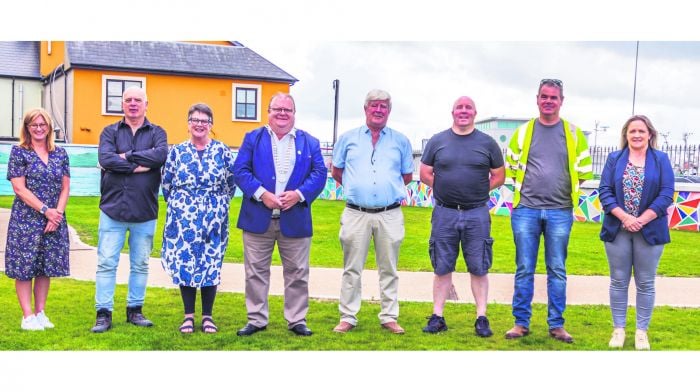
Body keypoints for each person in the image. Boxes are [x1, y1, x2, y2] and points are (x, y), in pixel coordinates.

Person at [504, 79, 593, 343]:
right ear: (537, 99)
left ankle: (556, 325)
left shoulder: (574, 134)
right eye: (544, 96)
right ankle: (521, 322)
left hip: (560, 211)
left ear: (561, 101)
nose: (548, 101)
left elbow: (584, 173)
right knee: (523, 268)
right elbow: (510, 167)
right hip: (526, 210)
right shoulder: (523, 132)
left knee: (557, 269)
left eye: (554, 97)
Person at [233, 93, 327, 337]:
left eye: (288, 109)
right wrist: (262, 193)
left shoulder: (310, 142)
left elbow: (319, 174)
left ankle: (296, 319)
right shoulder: (253, 138)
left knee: (297, 272)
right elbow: (240, 170)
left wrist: (299, 194)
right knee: (255, 272)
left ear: (294, 114)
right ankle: (256, 319)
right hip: (257, 217)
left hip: (295, 218)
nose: (282, 113)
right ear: (268, 112)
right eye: (277, 109)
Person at [419, 96, 505, 337]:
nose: (464, 111)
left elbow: (499, 176)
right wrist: (443, 185)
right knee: (442, 266)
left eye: (468, 108)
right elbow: (425, 172)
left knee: (479, 267)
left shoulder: (487, 143)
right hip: (445, 212)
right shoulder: (438, 141)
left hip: (476, 213)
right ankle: (438, 317)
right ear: (453, 112)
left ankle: (481, 317)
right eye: (459, 107)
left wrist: (478, 190)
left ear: (475, 113)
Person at [331, 89, 414, 334]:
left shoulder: (401, 141)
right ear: (365, 109)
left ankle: (389, 316)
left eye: (384, 107)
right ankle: (348, 317)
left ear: (389, 111)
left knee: (389, 268)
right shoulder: (348, 139)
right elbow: (338, 172)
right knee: (351, 268)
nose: (379, 110)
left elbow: (407, 176)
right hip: (356, 213)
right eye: (374, 106)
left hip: (390, 214)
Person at [91, 86, 168, 333]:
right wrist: (137, 163)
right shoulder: (109, 132)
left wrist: (125, 158)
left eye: (138, 100)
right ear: (122, 104)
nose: (133, 104)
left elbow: (159, 157)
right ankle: (103, 313)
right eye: (128, 100)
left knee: (141, 264)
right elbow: (106, 159)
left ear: (147, 103)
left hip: (144, 211)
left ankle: (135, 309)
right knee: (106, 263)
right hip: (112, 209)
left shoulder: (158, 132)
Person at [598, 115, 674, 350]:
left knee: (646, 283)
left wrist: (641, 220)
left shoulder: (661, 160)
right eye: (633, 131)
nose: (637, 135)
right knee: (618, 281)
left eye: (642, 131)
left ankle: (642, 332)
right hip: (617, 229)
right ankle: (618, 329)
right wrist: (626, 218)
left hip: (649, 230)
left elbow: (666, 193)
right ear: (626, 135)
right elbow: (605, 192)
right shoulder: (614, 159)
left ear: (650, 134)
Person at [160, 103, 236, 334]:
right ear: (188, 123)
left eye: (204, 121)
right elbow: (167, 184)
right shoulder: (177, 152)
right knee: (186, 263)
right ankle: (188, 316)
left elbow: (230, 185)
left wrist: (216, 207)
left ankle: (208, 316)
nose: (199, 124)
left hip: (215, 218)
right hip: (183, 218)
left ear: (211, 125)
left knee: (211, 263)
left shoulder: (222, 151)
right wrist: (183, 206)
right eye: (195, 120)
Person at [5, 108, 70, 330]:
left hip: (54, 220)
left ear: (49, 127)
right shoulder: (19, 152)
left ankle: (41, 312)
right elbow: (19, 188)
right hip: (26, 219)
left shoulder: (60, 153)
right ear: (27, 128)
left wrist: (57, 215)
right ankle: (27, 316)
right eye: (34, 125)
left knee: (45, 266)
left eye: (43, 124)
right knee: (25, 266)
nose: (39, 128)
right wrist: (46, 210)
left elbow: (65, 187)